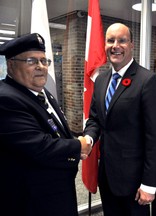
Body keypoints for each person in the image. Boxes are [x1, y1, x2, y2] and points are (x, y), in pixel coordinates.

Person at [0, 33, 92, 216]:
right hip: (32, 200)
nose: (41, 67)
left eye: (44, 61)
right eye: (31, 61)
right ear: (11, 64)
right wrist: (78, 145)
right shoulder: (6, 99)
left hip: (54, 191)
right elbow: (39, 146)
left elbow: (56, 129)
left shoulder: (40, 91)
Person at [83, 23, 156, 216]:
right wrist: (88, 139)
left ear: (131, 45)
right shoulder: (102, 80)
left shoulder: (147, 81)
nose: (115, 45)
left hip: (135, 181)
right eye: (110, 40)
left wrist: (149, 184)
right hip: (107, 174)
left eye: (122, 40)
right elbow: (95, 120)